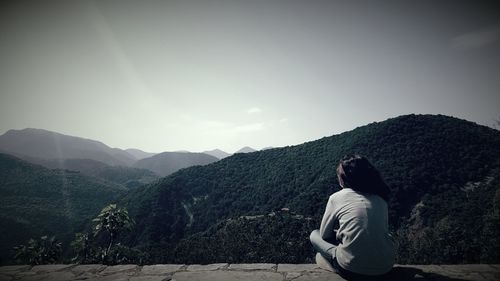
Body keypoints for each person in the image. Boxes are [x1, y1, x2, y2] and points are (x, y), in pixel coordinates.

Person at [310, 155, 396, 280]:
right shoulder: (380, 199)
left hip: (352, 270)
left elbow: (324, 235)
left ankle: (331, 262)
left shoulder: (336, 197)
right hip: (385, 268)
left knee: (314, 235)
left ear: (343, 178)